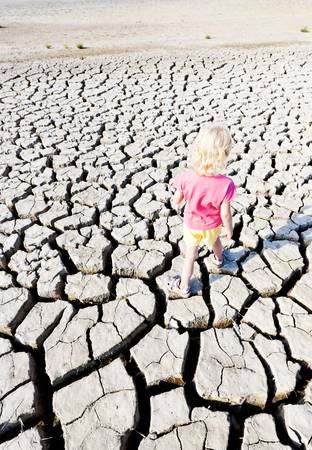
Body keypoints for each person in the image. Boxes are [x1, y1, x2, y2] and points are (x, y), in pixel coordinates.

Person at [168, 123, 236, 298]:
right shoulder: (226, 184)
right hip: (213, 225)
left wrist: (175, 204)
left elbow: (177, 200)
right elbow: (226, 214)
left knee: (191, 255)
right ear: (224, 155)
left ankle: (183, 286)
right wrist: (229, 230)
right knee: (215, 242)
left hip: (192, 225)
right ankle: (220, 260)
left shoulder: (185, 178)